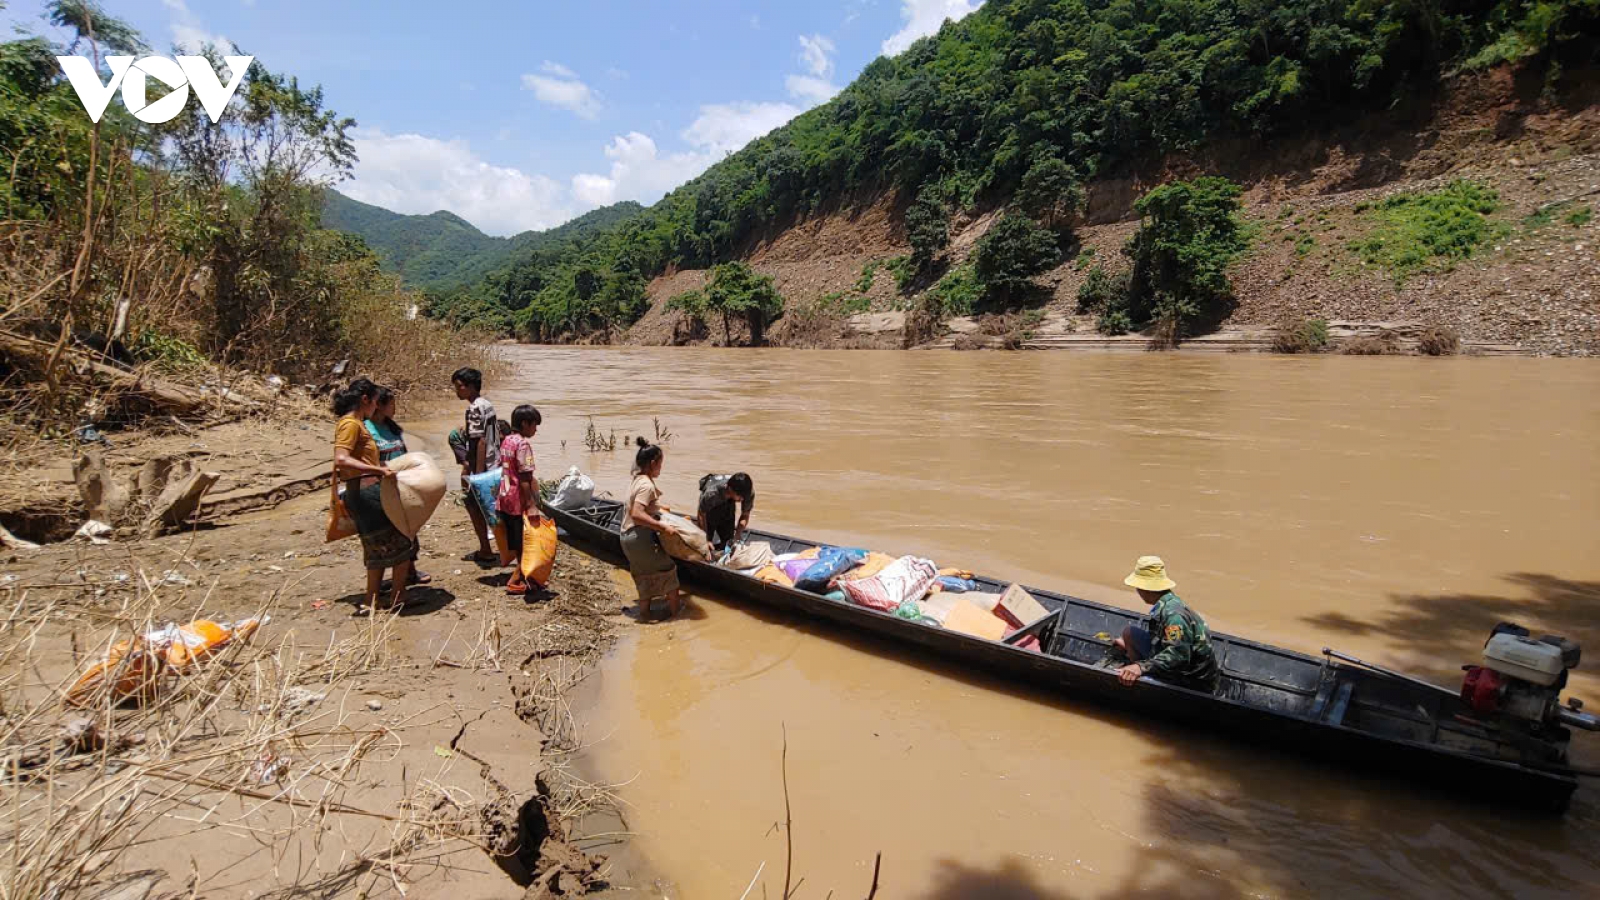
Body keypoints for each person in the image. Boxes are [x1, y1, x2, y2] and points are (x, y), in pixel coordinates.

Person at [332, 378, 411, 615]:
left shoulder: (357, 423)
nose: (376, 407)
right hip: (367, 491)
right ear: (365, 400)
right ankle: (397, 598)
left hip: (364, 490)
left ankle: (371, 600)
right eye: (375, 402)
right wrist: (378, 470)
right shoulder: (351, 424)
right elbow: (341, 459)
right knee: (403, 541)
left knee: (375, 545)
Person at [1112, 556, 1218, 691]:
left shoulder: (1174, 616)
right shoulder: (1168, 602)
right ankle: (1136, 669)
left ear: (1145, 588)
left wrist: (1140, 667)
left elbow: (1178, 656)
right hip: (1182, 661)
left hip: (1192, 678)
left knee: (1137, 661)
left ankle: (1136, 679)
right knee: (1129, 633)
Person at [364, 387, 431, 586]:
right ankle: (392, 581)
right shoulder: (366, 429)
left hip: (401, 484)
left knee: (408, 529)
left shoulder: (392, 427)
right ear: (380, 406)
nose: (394, 408)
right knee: (388, 534)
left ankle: (410, 571)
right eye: (392, 404)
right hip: (379, 488)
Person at [620, 437, 681, 620]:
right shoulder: (647, 485)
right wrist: (662, 527)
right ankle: (676, 614)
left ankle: (645, 613)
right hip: (639, 538)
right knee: (669, 571)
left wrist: (659, 509)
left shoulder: (637, 479)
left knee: (643, 574)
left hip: (626, 538)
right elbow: (637, 513)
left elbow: (639, 507)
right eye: (661, 464)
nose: (661, 468)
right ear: (653, 463)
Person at [451, 367, 499, 565]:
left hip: (485, 465)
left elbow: (479, 441)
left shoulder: (473, 409)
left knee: (473, 505)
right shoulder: (486, 404)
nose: (457, 391)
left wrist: (477, 473)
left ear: (470, 387)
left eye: (459, 387)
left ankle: (486, 550)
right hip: (495, 460)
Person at [497, 405, 541, 595]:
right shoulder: (523, 445)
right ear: (525, 424)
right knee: (524, 541)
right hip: (518, 499)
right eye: (534, 426)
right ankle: (517, 579)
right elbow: (525, 477)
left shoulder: (507, 440)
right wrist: (531, 504)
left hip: (505, 496)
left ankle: (525, 576)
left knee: (517, 541)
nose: (535, 430)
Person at [696, 472, 754, 551]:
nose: (742, 500)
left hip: (729, 498)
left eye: (744, 497)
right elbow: (701, 514)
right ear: (730, 489)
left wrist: (737, 536)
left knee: (728, 539)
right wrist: (706, 540)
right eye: (740, 497)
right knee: (705, 543)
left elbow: (745, 515)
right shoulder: (712, 493)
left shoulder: (747, 492)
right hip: (711, 504)